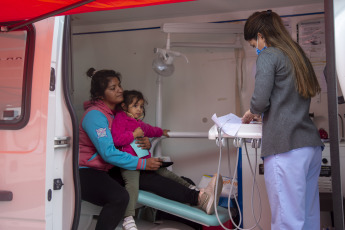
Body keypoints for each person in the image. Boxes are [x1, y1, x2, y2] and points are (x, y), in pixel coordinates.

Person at [79, 68, 223, 230]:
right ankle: (198, 197)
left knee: (151, 176)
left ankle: (199, 197)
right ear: (100, 94)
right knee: (119, 197)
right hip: (88, 172)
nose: (120, 90)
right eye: (113, 88)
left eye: (119, 86)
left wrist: (144, 142)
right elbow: (108, 153)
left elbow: (123, 140)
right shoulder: (95, 116)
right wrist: (142, 163)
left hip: (109, 169)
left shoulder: (116, 115)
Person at [241, 10, 324, 230]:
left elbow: (259, 102)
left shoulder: (268, 55)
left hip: (285, 147)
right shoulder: (296, 55)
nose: (256, 49)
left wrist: (253, 111)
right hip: (310, 147)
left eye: (253, 44)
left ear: (260, 36)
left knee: (287, 220)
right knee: (307, 216)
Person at [112, 89, 198, 228]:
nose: (139, 109)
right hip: (130, 163)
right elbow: (116, 140)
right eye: (135, 106)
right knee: (131, 185)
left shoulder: (138, 122)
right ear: (124, 106)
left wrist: (161, 132)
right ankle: (128, 218)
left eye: (141, 106)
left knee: (165, 172)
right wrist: (134, 135)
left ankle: (191, 187)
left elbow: (149, 129)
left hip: (145, 162)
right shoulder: (120, 119)